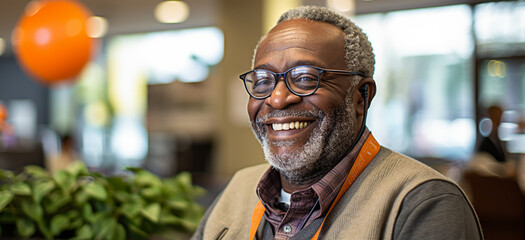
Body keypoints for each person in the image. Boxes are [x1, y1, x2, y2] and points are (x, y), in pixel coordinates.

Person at [192, 6, 482, 240]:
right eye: (264, 81)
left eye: (305, 78)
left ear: (361, 96)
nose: (278, 99)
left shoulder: (421, 202)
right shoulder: (239, 188)